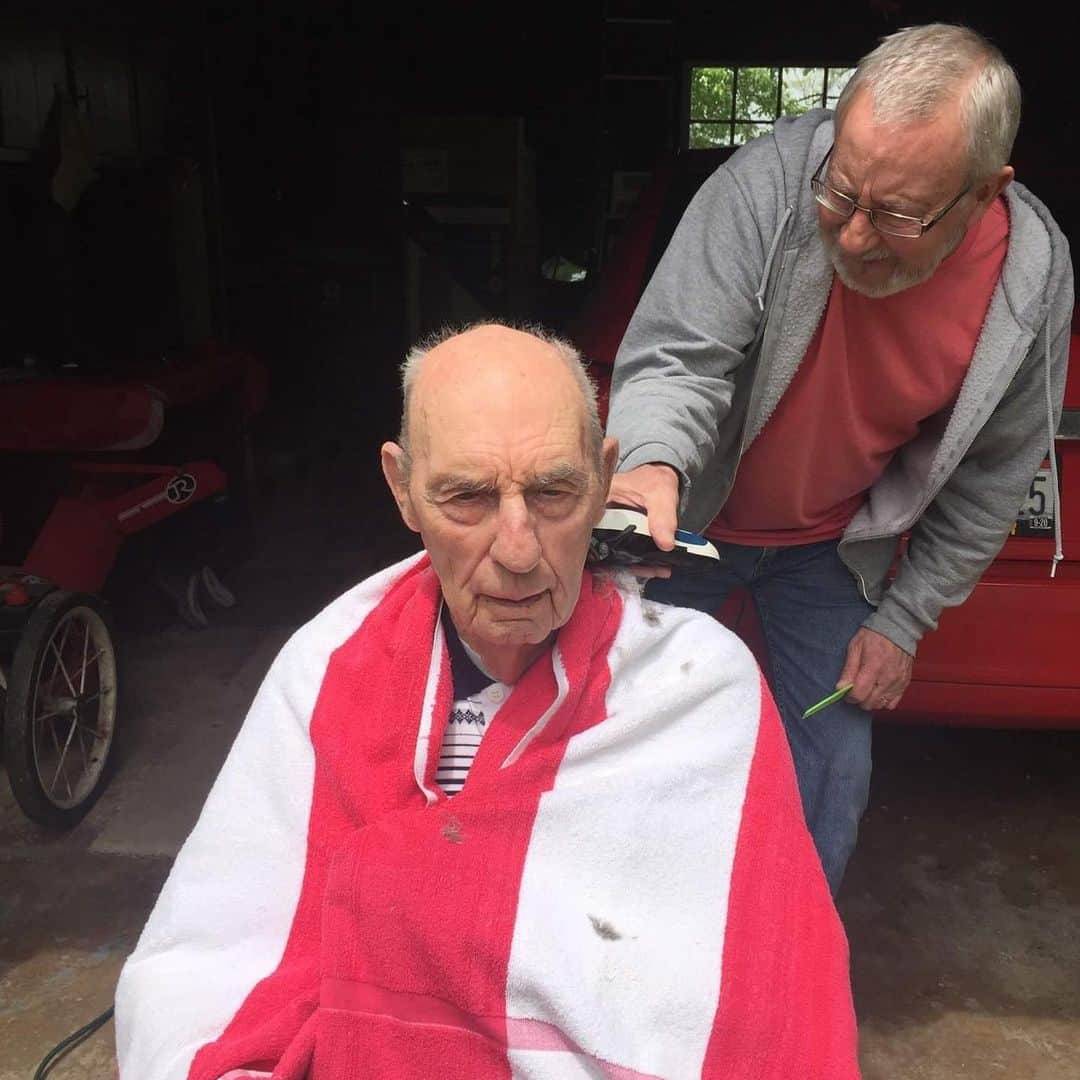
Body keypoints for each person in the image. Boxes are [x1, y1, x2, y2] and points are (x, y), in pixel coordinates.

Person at [114, 323, 860, 1079]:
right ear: (402, 490)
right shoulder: (327, 665)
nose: (517, 550)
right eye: (466, 498)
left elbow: (767, 1012)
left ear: (604, 480)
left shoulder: (698, 686)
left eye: (554, 493)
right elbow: (208, 961)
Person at [604, 22, 1073, 896]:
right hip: (686, 525)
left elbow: (990, 480)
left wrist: (904, 621)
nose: (853, 239)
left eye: (896, 214)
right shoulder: (764, 189)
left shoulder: (1030, 281)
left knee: (831, 769)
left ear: (984, 194)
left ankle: (792, 966)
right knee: (620, 733)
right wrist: (651, 470)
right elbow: (678, 355)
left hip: (826, 549)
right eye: (841, 195)